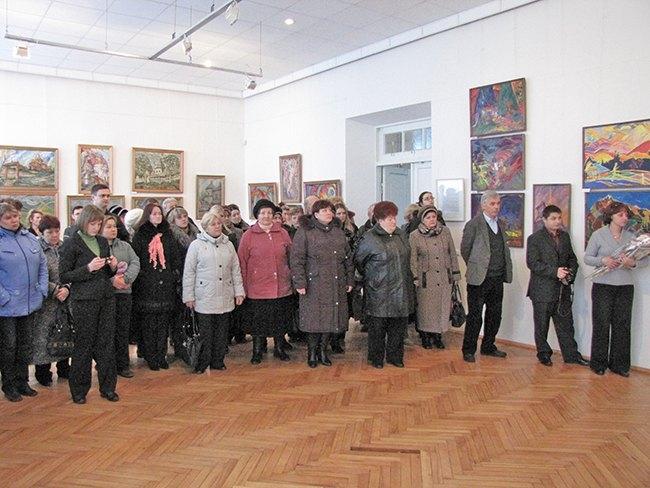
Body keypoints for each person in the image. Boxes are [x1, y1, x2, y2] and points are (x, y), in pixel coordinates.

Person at [59, 205, 119, 404]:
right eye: (93, 223)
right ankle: (79, 390)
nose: (96, 227)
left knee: (106, 344)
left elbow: (106, 273)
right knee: (83, 345)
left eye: (99, 224)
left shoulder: (102, 241)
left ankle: (108, 387)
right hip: (84, 301)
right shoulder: (71, 243)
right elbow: (64, 275)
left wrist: (112, 267)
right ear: (83, 222)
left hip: (106, 298)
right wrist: (88, 268)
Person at [584, 202, 648, 377]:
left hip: (625, 287)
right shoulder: (598, 234)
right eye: (620, 215)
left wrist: (632, 263)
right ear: (610, 216)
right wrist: (603, 260)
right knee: (601, 324)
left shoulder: (632, 237)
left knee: (622, 326)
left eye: (626, 215)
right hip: (603, 286)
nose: (624, 218)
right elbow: (588, 258)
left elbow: (645, 260)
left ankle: (619, 365)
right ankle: (598, 364)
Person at [291, 200, 354, 368]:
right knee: (314, 320)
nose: (328, 213)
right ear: (315, 214)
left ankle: (323, 351)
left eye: (330, 210)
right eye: (324, 210)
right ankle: (312, 352)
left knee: (330, 318)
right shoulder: (305, 232)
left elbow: (348, 258)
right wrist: (299, 282)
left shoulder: (338, 231)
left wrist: (349, 279)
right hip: (314, 283)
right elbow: (297, 259)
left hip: (335, 282)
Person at [354, 201, 415, 369]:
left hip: (400, 289)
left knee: (398, 327)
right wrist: (374, 278)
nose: (393, 221)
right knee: (377, 328)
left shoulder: (401, 235)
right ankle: (376, 358)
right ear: (379, 220)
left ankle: (395, 357)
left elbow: (407, 258)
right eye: (389, 219)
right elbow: (359, 261)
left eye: (394, 217)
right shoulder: (369, 238)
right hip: (378, 290)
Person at [526, 205, 589, 367]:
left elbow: (572, 259)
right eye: (553, 218)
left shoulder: (565, 237)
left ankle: (571, 355)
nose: (557, 221)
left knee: (566, 325)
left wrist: (570, 274)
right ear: (544, 220)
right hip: (542, 290)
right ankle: (543, 354)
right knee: (542, 325)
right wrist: (555, 272)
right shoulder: (534, 238)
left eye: (559, 218)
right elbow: (532, 263)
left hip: (562, 289)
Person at [183, 212, 245, 373]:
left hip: (225, 294)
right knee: (206, 333)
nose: (217, 226)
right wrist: (188, 296)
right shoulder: (196, 245)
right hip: (204, 296)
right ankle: (203, 362)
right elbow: (189, 272)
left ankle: (218, 361)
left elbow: (235, 270)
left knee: (222, 332)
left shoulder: (228, 244)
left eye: (218, 223)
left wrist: (239, 292)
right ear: (205, 227)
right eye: (213, 224)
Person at [0, 203, 48, 402]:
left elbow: (43, 265)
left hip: (30, 303)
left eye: (15, 216)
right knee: (9, 347)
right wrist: (4, 297)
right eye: (8, 217)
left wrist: (42, 289)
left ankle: (22, 381)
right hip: (7, 306)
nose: (13, 220)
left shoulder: (29, 238)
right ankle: (9, 384)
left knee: (25, 345)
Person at [237, 199, 293, 364]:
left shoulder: (282, 233)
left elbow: (291, 257)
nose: (266, 216)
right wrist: (242, 287)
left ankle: (279, 348)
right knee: (258, 321)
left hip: (281, 286)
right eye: (263, 213)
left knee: (279, 319)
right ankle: (257, 350)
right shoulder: (248, 235)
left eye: (269, 212)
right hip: (257, 287)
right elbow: (242, 262)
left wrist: (290, 276)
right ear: (257, 215)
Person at [460, 190, 512, 363]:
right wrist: (477, 266)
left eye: (498, 203)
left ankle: (488, 346)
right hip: (479, 278)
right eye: (492, 203)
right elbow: (465, 250)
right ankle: (469, 350)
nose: (496, 207)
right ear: (483, 205)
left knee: (495, 315)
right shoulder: (474, 224)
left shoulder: (501, 223)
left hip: (497, 277)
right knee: (475, 316)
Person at [131, 203, 182, 371]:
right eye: (154, 214)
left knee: (163, 324)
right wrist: (144, 276)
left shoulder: (167, 234)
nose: (157, 216)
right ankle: (151, 356)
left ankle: (161, 355)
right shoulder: (140, 235)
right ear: (147, 216)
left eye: (159, 213)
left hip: (165, 284)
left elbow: (174, 257)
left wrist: (172, 274)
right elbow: (137, 259)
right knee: (149, 323)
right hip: (147, 285)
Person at [409, 205, 460, 350]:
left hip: (444, 277)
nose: (432, 220)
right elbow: (412, 259)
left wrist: (455, 273)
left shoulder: (445, 232)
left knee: (442, 307)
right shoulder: (414, 235)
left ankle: (438, 336)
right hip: (426, 279)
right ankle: (425, 336)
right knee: (426, 309)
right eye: (428, 217)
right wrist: (415, 277)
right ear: (422, 219)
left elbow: (452, 253)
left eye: (434, 217)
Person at [32, 215, 71, 386]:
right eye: (50, 232)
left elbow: (72, 270)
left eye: (57, 231)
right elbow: (35, 275)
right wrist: (54, 289)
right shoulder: (36, 249)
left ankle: (64, 367)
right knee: (43, 336)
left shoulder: (65, 247)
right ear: (41, 232)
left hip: (65, 298)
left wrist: (67, 288)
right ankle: (43, 371)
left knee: (65, 332)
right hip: (46, 301)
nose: (54, 235)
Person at [102, 215, 140, 378]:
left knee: (122, 330)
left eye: (115, 226)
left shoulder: (125, 246)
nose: (113, 229)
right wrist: (113, 281)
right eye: (109, 226)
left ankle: (123, 364)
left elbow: (135, 262)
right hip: (106, 295)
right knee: (107, 331)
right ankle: (107, 365)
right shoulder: (98, 247)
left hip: (124, 294)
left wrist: (126, 279)